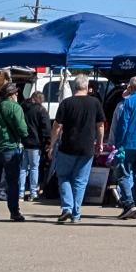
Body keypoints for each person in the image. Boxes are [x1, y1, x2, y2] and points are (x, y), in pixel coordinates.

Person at [50, 78, 106, 224]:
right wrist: (99, 143)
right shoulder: (95, 103)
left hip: (67, 146)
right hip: (87, 147)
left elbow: (57, 126)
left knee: (63, 177)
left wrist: (52, 144)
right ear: (87, 87)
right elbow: (100, 125)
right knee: (80, 181)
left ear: (75, 87)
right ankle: (76, 214)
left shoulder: (66, 103)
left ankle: (67, 208)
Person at [0, 81, 31, 221]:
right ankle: (14, 212)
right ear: (11, 95)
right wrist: (23, 135)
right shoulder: (15, 108)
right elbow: (22, 130)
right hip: (10, 149)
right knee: (13, 183)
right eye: (16, 93)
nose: (17, 95)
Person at [110, 76, 136, 219]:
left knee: (122, 174)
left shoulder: (128, 102)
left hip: (129, 143)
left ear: (131, 88)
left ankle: (129, 203)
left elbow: (123, 124)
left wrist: (118, 144)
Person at [21, 86, 52, 206]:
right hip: (35, 143)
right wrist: (48, 142)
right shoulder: (41, 110)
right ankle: (33, 192)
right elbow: (46, 128)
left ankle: (20, 192)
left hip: (23, 142)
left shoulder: (23, 108)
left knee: (23, 168)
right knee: (34, 167)